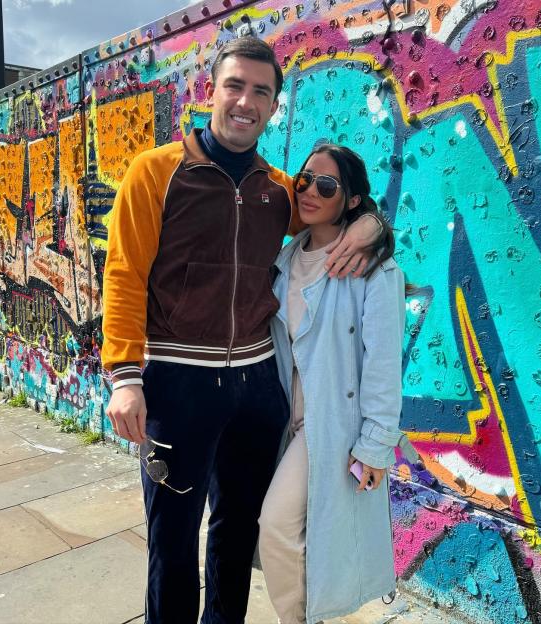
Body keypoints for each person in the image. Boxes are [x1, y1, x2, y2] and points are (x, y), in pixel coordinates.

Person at [101, 37, 384, 624]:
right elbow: (124, 273)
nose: (245, 101)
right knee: (173, 542)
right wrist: (125, 377)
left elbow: (333, 211)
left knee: (236, 535)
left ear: (274, 106)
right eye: (235, 85)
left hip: (257, 389)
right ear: (212, 89)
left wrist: (374, 226)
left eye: (261, 91)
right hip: (179, 384)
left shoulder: (278, 190)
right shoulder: (155, 173)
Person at [258, 144, 405, 624]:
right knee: (290, 536)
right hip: (281, 415)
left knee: (277, 524)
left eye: (327, 185)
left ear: (354, 200)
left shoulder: (372, 270)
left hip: (328, 423)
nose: (309, 191)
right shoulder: (284, 259)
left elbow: (383, 365)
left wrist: (376, 445)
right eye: (304, 180)